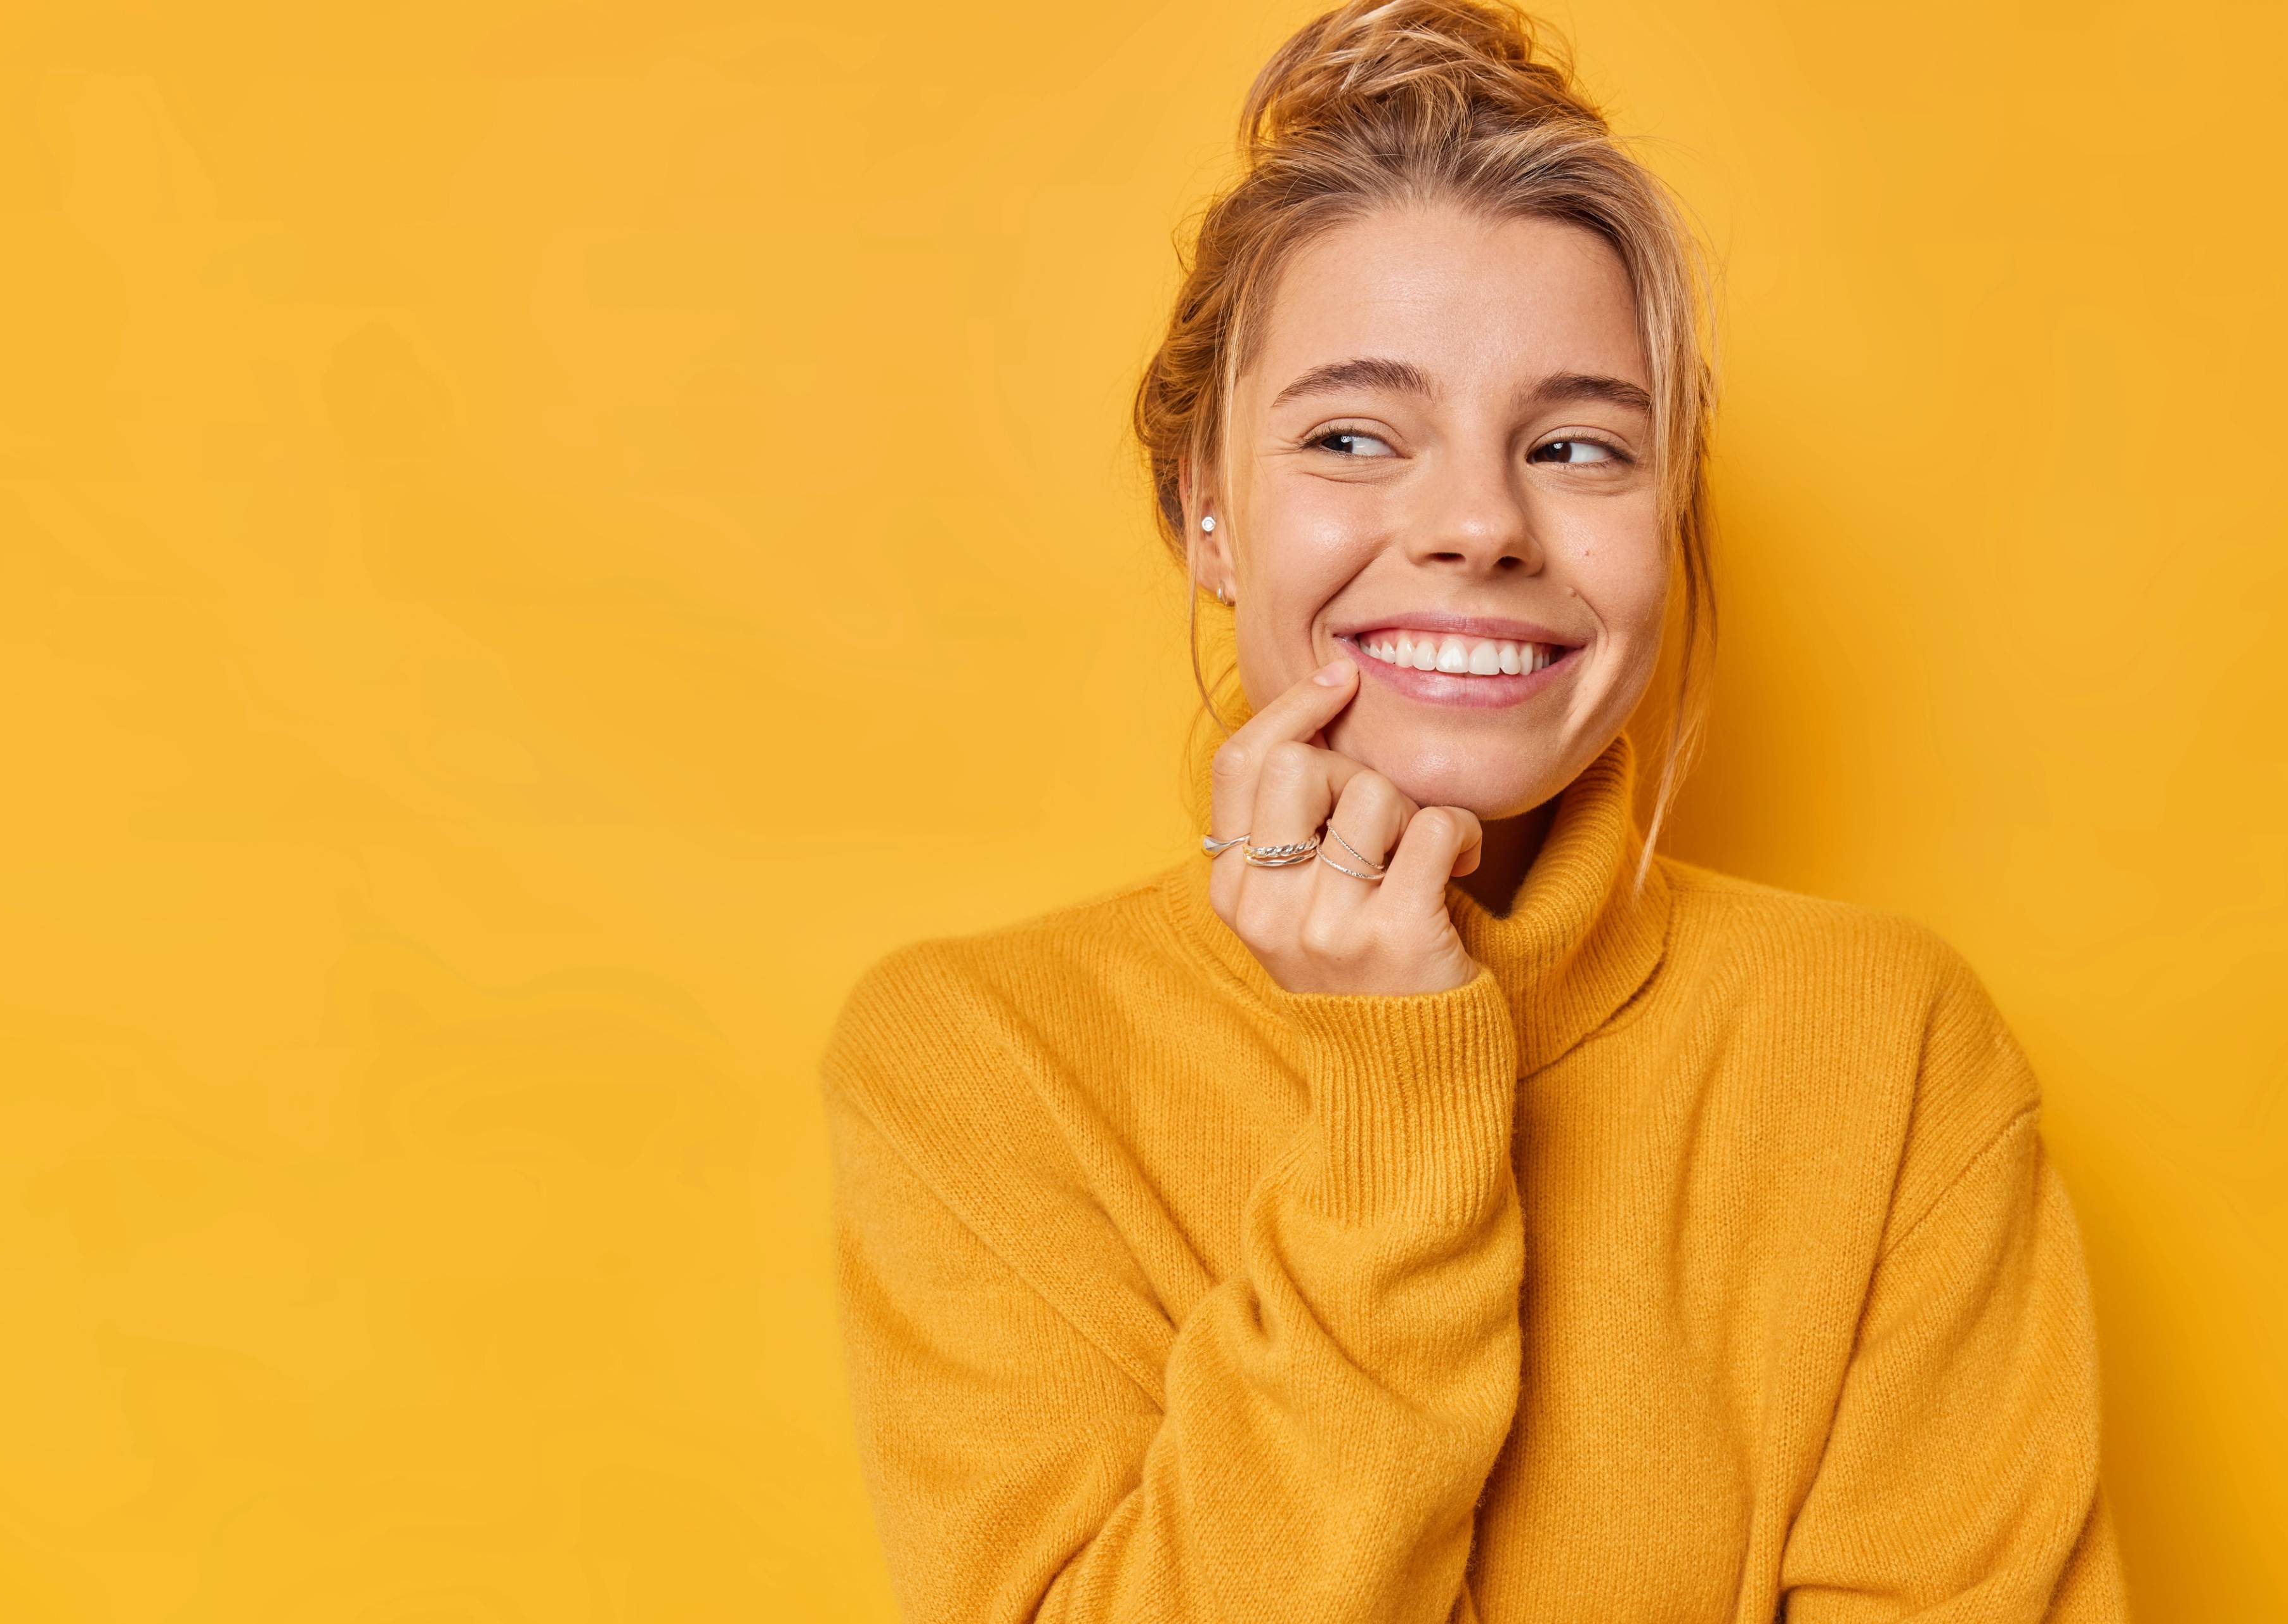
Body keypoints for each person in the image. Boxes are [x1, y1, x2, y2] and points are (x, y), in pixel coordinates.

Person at [820, 1, 2126, 1618]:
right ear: (1206, 512)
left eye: (1576, 446)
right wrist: (1396, 1095)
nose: (1480, 524)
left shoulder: (1890, 1048)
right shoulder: (978, 1064)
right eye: (1354, 436)